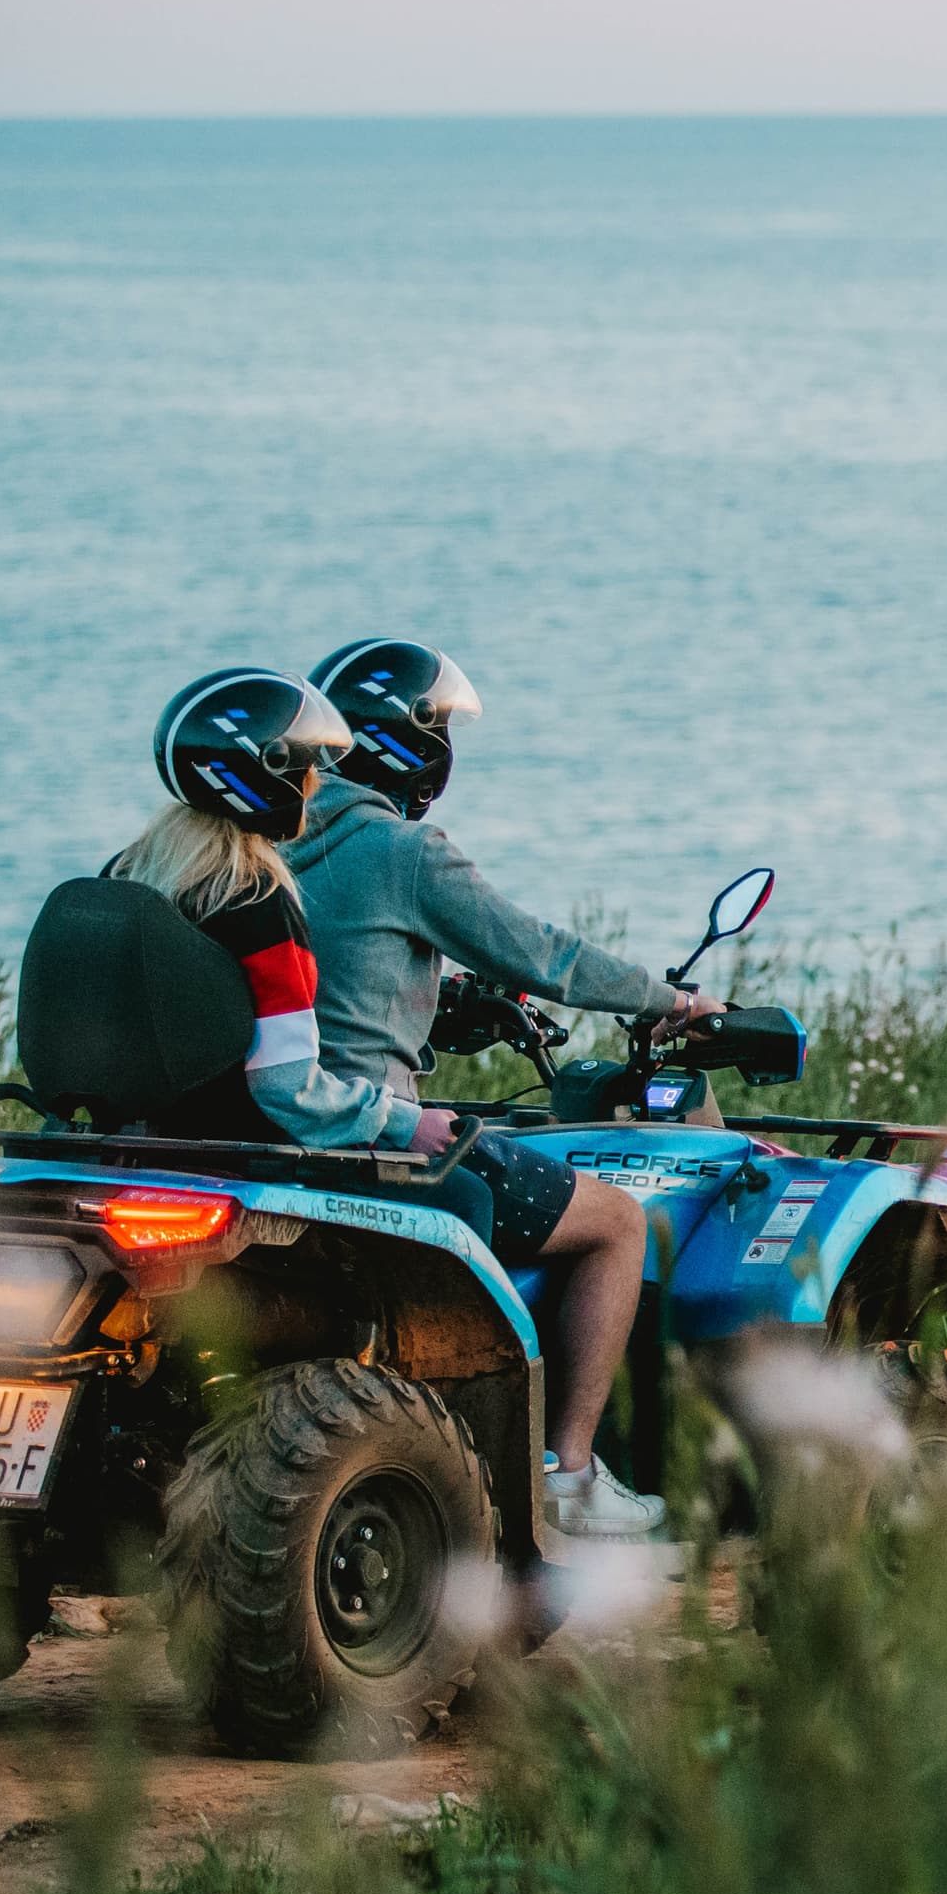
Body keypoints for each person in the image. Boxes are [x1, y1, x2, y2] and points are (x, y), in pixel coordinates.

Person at [285, 639, 717, 1542]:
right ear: (412, 745)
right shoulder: (399, 850)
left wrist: (438, 1010)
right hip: (377, 1137)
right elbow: (544, 954)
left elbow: (328, 983)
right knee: (616, 1224)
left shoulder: (270, 844)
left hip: (277, 1125)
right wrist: (671, 1000)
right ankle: (569, 1472)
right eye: (440, 728)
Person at [106, 668, 454, 1160]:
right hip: (244, 1153)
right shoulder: (254, 900)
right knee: (474, 1198)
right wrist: (407, 1121)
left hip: (125, 1144)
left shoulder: (127, 873)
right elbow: (288, 1088)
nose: (314, 785)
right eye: (305, 768)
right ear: (267, 774)